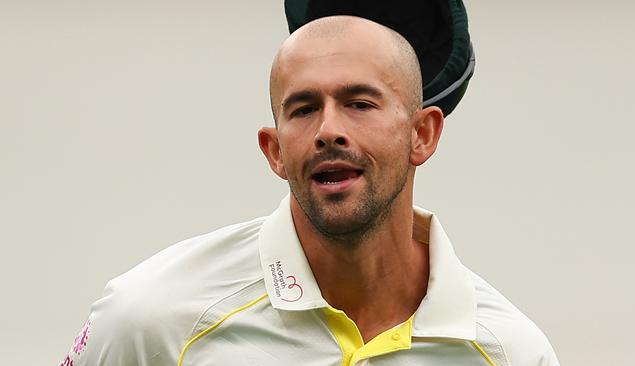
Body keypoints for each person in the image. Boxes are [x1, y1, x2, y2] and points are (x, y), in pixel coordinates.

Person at [60, 15, 560, 366]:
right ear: (274, 150)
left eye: (360, 103)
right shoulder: (148, 315)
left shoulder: (513, 352)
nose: (328, 130)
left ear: (422, 134)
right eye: (302, 109)